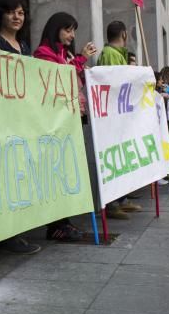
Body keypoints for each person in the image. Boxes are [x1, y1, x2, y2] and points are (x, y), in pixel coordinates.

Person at [33, 12, 97, 240]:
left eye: (74, 31)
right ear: (56, 29)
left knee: (68, 170)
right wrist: (79, 60)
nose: (72, 35)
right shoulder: (44, 54)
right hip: (55, 123)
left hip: (72, 119)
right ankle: (56, 225)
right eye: (68, 30)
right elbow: (59, 78)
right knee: (57, 171)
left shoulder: (64, 54)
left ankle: (64, 222)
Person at [0, 0, 41, 255]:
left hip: (21, 121)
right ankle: (5, 234)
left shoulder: (24, 46)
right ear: (2, 15)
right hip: (1, 120)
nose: (17, 17)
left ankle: (15, 231)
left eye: (20, 12)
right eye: (11, 12)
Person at [97, 21, 142, 218]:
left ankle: (121, 198)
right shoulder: (109, 55)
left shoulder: (118, 55)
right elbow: (113, 86)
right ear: (124, 34)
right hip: (113, 118)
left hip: (121, 117)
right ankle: (112, 203)